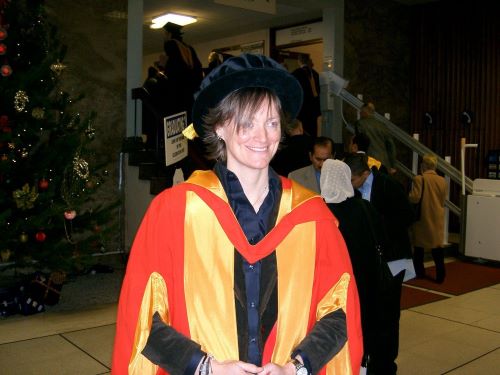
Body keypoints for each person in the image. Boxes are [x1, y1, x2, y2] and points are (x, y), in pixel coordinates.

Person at [112, 54, 363, 374]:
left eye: (272, 122)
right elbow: (142, 315)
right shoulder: (176, 212)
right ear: (219, 127)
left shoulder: (311, 217)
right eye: (247, 123)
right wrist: (205, 366)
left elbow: (339, 313)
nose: (263, 137)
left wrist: (297, 367)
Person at [343, 153, 414, 375]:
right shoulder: (351, 191)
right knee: (371, 312)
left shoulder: (389, 185)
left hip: (393, 260)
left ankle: (386, 363)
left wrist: (377, 226)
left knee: (389, 315)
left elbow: (408, 217)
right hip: (371, 263)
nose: (350, 184)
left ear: (365, 173)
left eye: (353, 179)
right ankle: (368, 358)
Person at [320, 159, 386, 371]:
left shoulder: (318, 212)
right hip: (364, 283)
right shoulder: (364, 208)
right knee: (361, 331)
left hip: (330, 288)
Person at [409, 154, 447, 282]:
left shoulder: (419, 179)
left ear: (423, 165)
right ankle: (440, 274)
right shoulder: (442, 180)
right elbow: (443, 200)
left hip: (423, 217)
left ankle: (420, 272)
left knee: (419, 247)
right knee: (437, 248)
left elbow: (415, 198)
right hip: (437, 217)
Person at [354, 103, 397, 174]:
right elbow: (391, 146)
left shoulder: (360, 124)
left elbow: (360, 143)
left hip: (369, 162)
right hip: (384, 164)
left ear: (364, 112)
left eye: (360, 112)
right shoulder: (382, 125)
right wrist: (392, 165)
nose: (360, 114)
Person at [291, 54, 321, 137]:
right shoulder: (315, 74)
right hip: (315, 108)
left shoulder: (295, 74)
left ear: (299, 61)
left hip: (302, 108)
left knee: (302, 132)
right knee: (313, 132)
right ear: (308, 61)